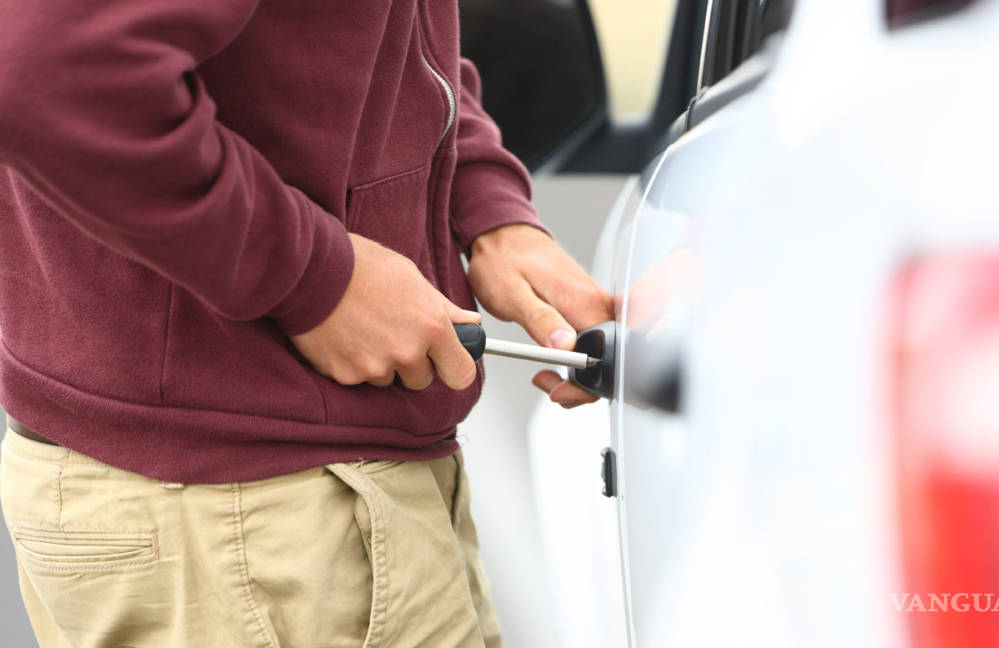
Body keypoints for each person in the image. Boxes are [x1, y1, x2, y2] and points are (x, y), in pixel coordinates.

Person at [0, 1, 612, 646]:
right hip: (251, 515)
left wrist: (487, 206)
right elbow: (53, 72)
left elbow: (389, 41)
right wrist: (315, 277)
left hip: (285, 506)